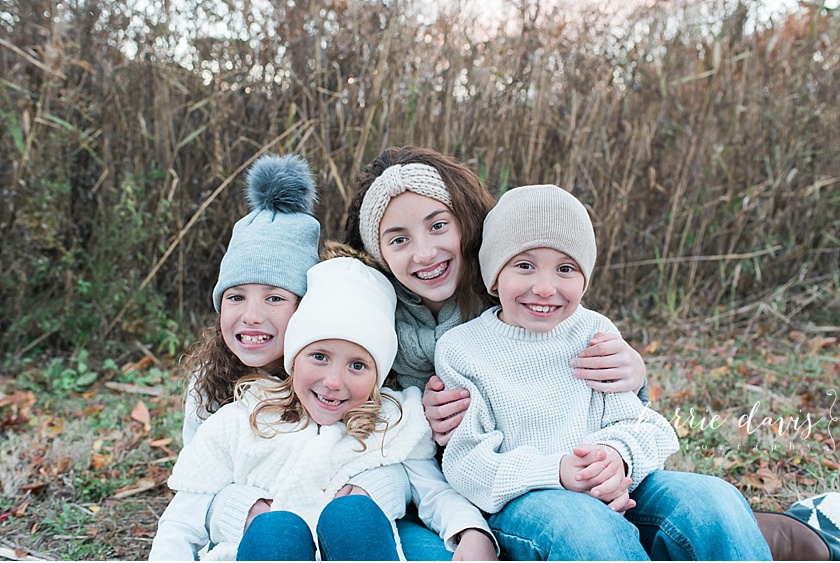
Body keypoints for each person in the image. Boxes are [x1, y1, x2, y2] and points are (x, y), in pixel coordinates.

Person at [434, 184, 772, 560]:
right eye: (524, 265)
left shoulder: (592, 332)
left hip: (617, 488)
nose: (545, 288)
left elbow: (646, 427)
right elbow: (468, 465)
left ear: (585, 279)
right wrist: (558, 471)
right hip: (526, 503)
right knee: (587, 526)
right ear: (494, 276)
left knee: (713, 501)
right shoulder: (463, 349)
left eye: (565, 269)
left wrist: (616, 457)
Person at [343, 146, 648, 558]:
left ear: (467, 225)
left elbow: (608, 402)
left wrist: (636, 373)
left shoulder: (514, 295)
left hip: (555, 479)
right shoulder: (368, 323)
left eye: (438, 226)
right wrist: (414, 414)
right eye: (399, 239)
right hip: (430, 496)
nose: (425, 253)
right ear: (378, 252)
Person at [150, 255, 498, 560]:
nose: (334, 381)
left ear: (379, 374)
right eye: (319, 357)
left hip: (357, 549)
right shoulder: (241, 420)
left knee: (353, 516)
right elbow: (184, 518)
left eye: (357, 366)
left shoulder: (393, 422)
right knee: (277, 531)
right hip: (269, 551)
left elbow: (434, 493)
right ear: (293, 358)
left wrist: (471, 531)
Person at [175, 153, 414, 552]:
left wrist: (371, 492)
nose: (252, 317)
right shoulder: (210, 386)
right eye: (235, 296)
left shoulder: (342, 374)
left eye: (274, 298)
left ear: (308, 310)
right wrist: (243, 507)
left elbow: (393, 455)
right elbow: (198, 482)